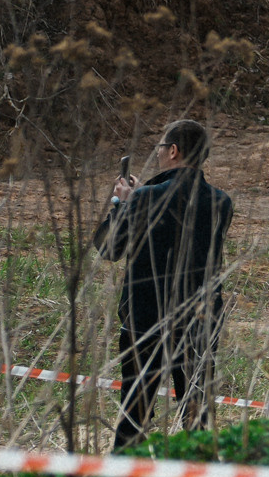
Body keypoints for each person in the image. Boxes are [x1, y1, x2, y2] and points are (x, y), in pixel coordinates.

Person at [93, 119, 234, 447]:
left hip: (146, 320)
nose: (157, 154)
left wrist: (122, 204)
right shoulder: (221, 202)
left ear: (173, 150)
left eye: (160, 148)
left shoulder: (144, 198)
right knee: (197, 412)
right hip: (201, 319)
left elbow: (109, 248)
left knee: (135, 411)